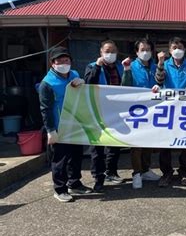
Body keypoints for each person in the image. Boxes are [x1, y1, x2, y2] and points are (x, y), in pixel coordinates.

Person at [39, 47, 92, 202]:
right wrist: (50, 130)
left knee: (76, 155)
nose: (64, 63)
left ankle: (74, 183)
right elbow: (45, 109)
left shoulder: (74, 74)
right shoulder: (47, 84)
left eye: (66, 60)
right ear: (52, 63)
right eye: (59, 61)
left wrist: (82, 82)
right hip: (58, 127)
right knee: (60, 159)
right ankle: (60, 189)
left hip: (75, 123)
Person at [155, 37, 186, 187]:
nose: (177, 50)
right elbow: (159, 81)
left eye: (180, 47)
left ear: (184, 50)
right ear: (170, 50)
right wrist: (160, 63)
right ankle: (166, 173)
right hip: (168, 109)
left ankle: (184, 172)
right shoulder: (164, 64)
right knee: (165, 143)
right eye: (174, 47)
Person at [84, 40, 125, 192]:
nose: (110, 54)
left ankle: (111, 172)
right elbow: (88, 83)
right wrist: (98, 66)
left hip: (117, 111)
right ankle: (98, 177)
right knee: (97, 147)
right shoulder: (92, 66)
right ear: (101, 52)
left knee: (115, 144)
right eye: (107, 51)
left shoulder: (121, 67)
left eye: (113, 51)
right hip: (97, 111)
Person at [121, 38, 161, 189]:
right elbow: (125, 85)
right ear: (136, 52)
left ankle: (145, 170)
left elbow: (161, 82)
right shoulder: (130, 66)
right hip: (136, 109)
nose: (146, 53)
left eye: (148, 50)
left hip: (153, 109)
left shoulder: (155, 66)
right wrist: (126, 70)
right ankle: (136, 173)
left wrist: (159, 86)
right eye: (142, 50)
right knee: (136, 143)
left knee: (148, 141)